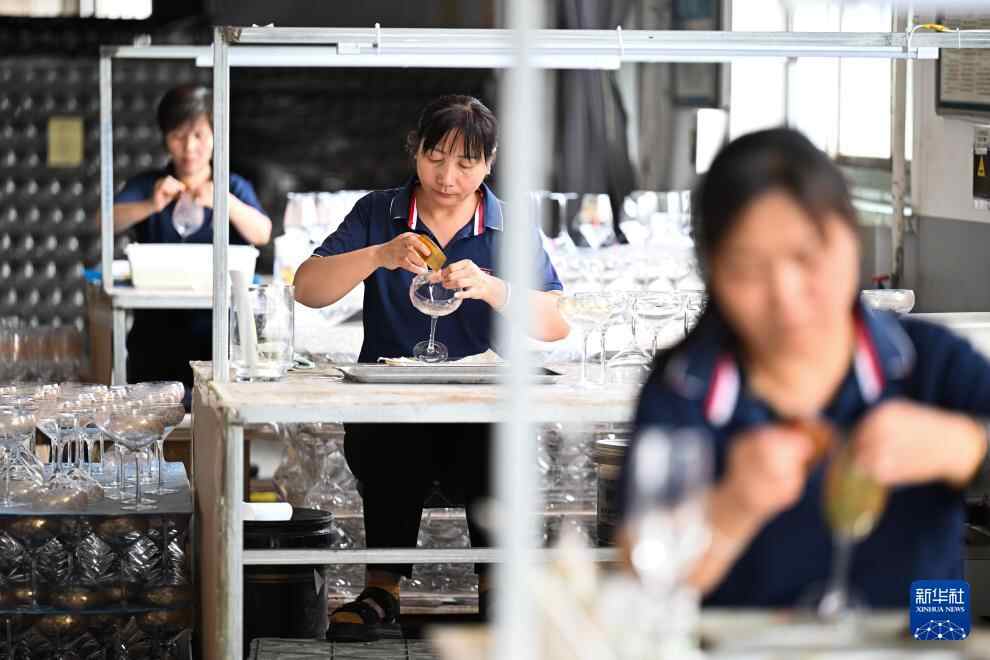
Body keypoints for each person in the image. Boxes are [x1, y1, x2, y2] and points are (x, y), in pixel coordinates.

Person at [621, 128, 990, 608]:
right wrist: (732, 506)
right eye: (747, 269)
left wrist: (964, 446)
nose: (785, 294)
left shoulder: (929, 362)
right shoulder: (686, 387)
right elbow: (641, 580)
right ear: (713, 273)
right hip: (743, 643)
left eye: (807, 257)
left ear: (851, 238)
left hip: (924, 635)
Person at [294, 94, 569, 640]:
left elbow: (555, 322)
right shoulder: (379, 213)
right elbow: (306, 288)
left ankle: (498, 590)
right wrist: (378, 255)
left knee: (498, 437)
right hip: (389, 408)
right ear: (415, 152)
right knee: (391, 435)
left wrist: (493, 288)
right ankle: (381, 590)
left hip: (483, 407)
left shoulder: (509, 226)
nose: (447, 177)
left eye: (466, 163)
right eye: (436, 158)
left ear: (489, 163)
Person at [110, 85, 272, 402]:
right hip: (154, 343)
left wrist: (224, 201)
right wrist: (150, 205)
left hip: (218, 345)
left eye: (199, 135)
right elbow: (105, 221)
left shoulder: (233, 186)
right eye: (178, 136)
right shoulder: (147, 185)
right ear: (165, 138)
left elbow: (262, 233)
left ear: (215, 136)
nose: (189, 147)